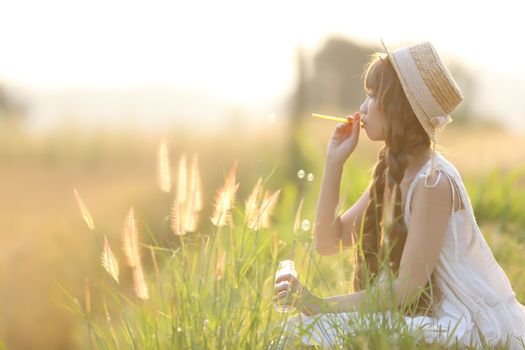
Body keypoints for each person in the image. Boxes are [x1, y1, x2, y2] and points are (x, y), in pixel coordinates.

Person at [272, 39, 525, 349]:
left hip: (460, 322)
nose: (362, 107)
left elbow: (406, 288)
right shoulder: (392, 171)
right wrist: (334, 162)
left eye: (372, 95)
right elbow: (328, 242)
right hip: (425, 315)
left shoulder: (433, 183)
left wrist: (318, 304)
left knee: (308, 330)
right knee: (302, 329)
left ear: (399, 107)